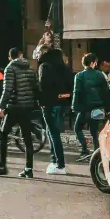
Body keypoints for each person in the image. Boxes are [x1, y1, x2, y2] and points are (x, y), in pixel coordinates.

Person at [0, 47, 43, 178]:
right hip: (27, 106)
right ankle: (28, 168)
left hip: (14, 106)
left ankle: (2, 167)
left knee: (3, 133)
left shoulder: (10, 68)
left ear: (10, 57)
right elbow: (36, 86)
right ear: (21, 55)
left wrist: (1, 107)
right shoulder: (30, 68)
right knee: (27, 137)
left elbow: (7, 90)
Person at [34, 38, 72, 173]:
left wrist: (40, 100)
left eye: (38, 52)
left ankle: (59, 164)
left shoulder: (44, 66)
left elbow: (42, 86)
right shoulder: (64, 67)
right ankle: (55, 161)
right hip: (62, 103)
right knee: (53, 133)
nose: (37, 55)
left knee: (53, 134)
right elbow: (69, 86)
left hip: (49, 104)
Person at [72, 52, 109, 160]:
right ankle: (97, 152)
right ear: (93, 63)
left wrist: (75, 107)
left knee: (77, 128)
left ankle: (84, 149)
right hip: (98, 107)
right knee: (95, 131)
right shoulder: (99, 75)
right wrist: (106, 107)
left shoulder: (79, 76)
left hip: (85, 108)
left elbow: (76, 92)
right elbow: (105, 92)